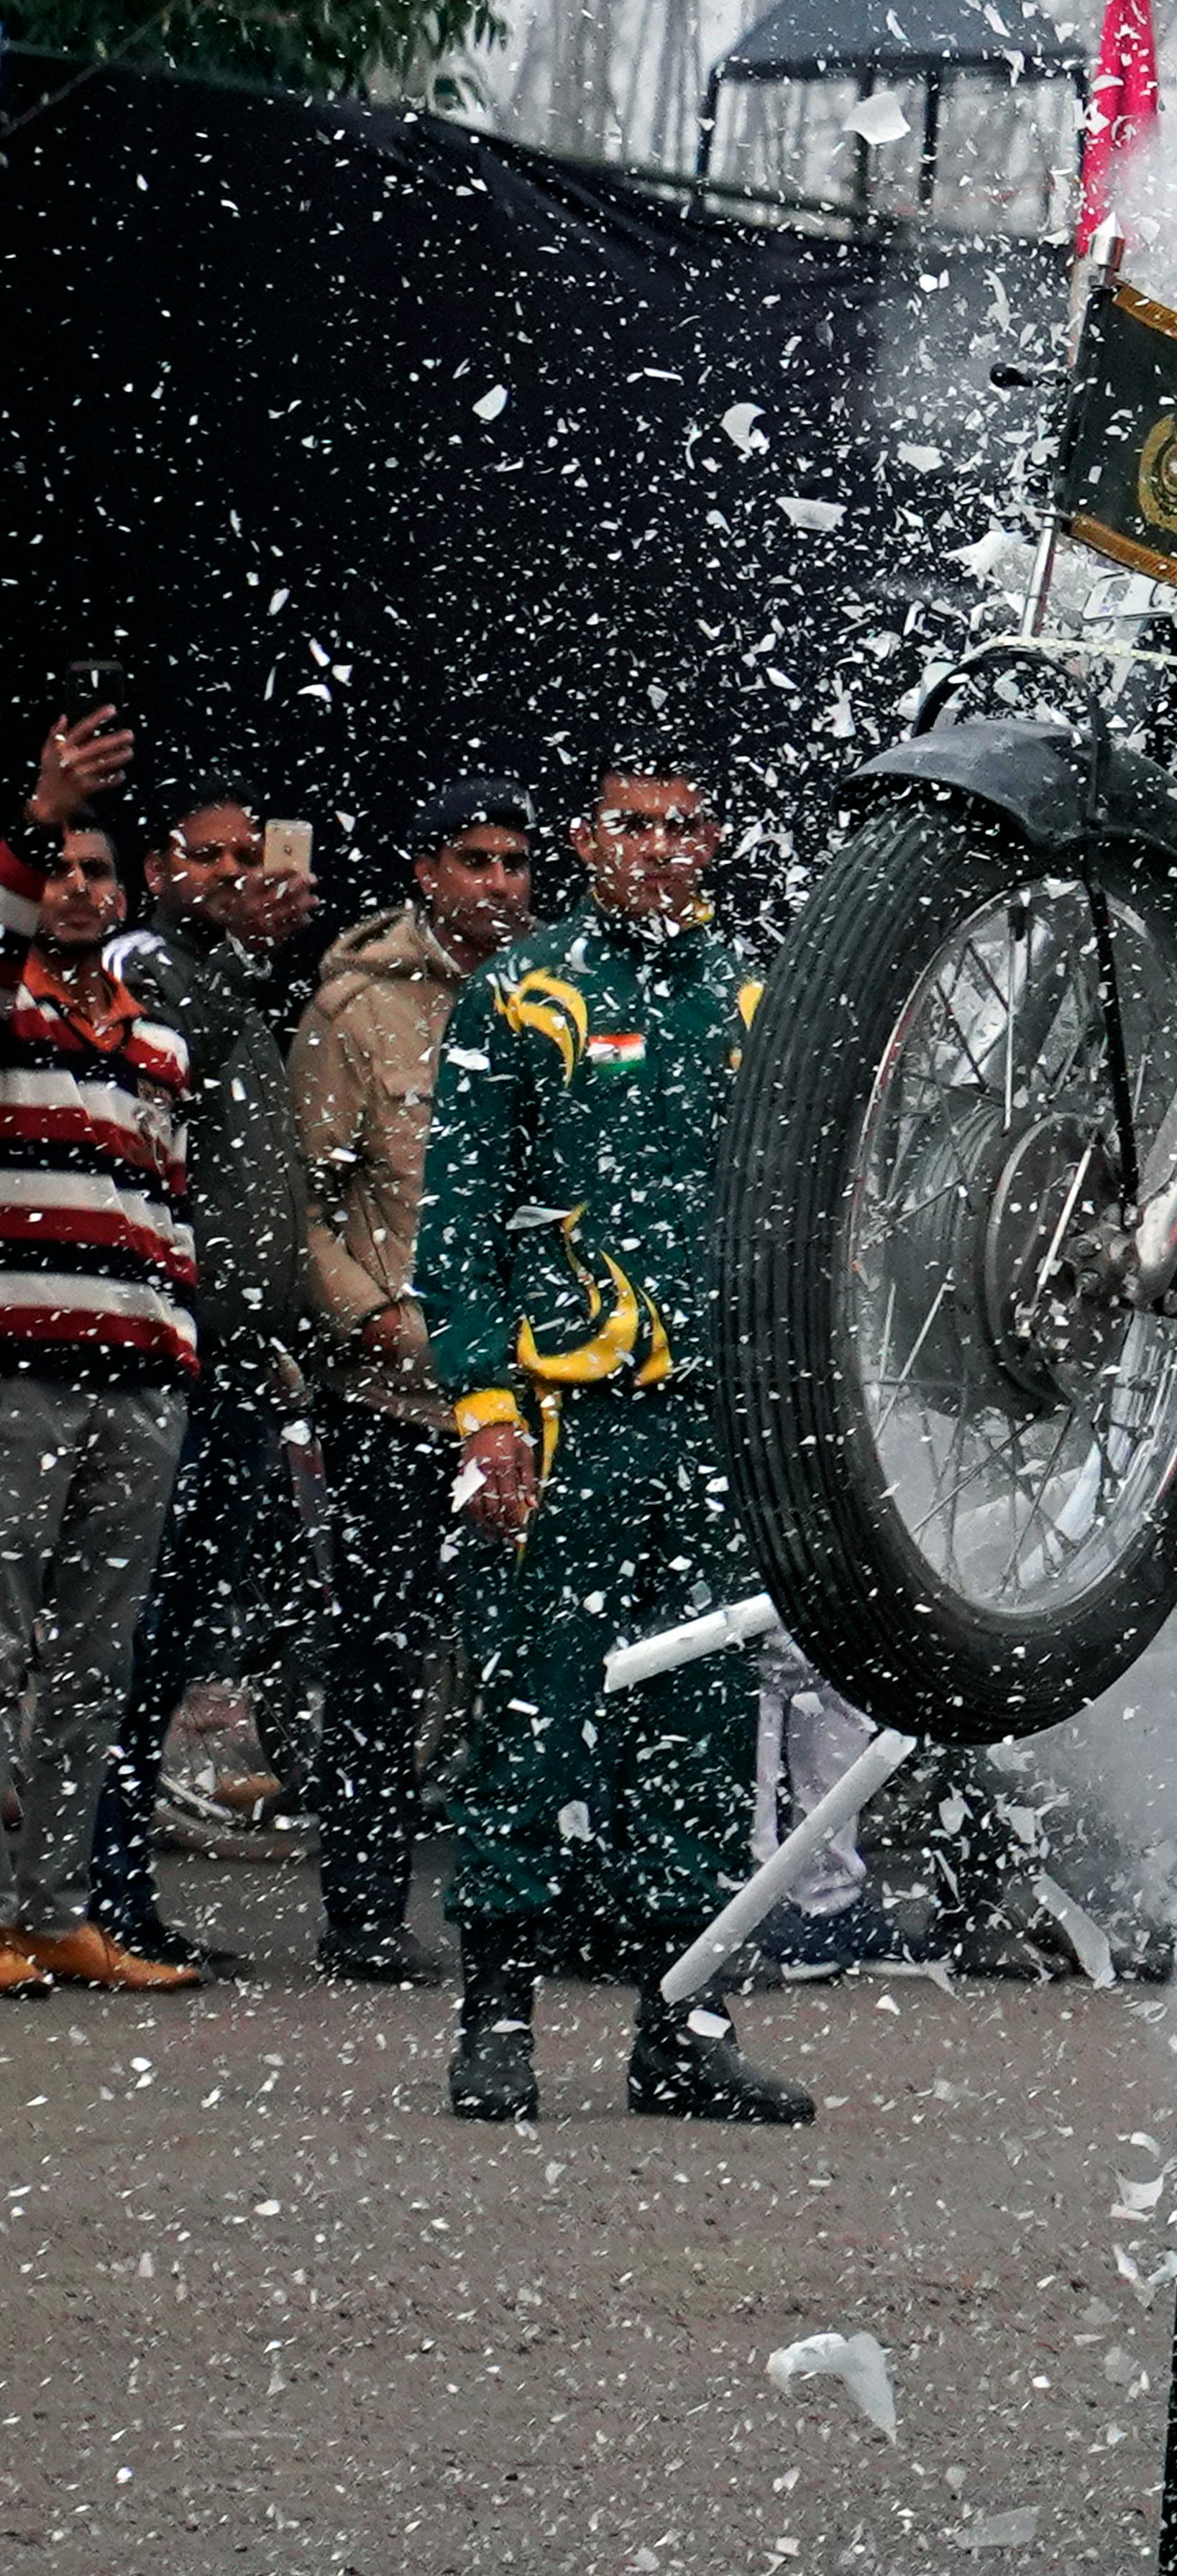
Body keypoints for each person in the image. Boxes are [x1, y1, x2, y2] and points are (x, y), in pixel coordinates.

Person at [421, 750, 808, 2120]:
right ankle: (497, 2017)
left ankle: (683, 2029)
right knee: (535, 1713)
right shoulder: (519, 996)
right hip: (563, 1419)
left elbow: (804, 1226)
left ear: (715, 843)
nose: (656, 849)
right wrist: (482, 1408)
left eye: (681, 827)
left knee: (705, 1733)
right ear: (585, 843)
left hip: (715, 1426)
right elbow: (454, 1222)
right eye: (629, 828)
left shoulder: (764, 1001)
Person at [287, 777, 536, 1979]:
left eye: (513, 862)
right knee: (384, 1660)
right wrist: (373, 1316)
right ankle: (366, 1913)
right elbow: (305, 1203)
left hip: (525, 1394)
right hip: (396, 1393)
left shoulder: (561, 992)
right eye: (472, 860)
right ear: (426, 873)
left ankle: (521, 1911)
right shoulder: (358, 1002)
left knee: (523, 1661)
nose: (497, 883)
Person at [109, 782, 330, 1977]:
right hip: (164, 1348)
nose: (240, 875)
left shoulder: (231, 984)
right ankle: (97, 1886)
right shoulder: (148, 967)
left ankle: (116, 1885)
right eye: (212, 859)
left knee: (183, 1623)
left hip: (230, 1357)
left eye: (254, 856)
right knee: (131, 1632)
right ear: (158, 869)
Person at [0, 702, 203, 1991]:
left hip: (140, 1377)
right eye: (57, 869)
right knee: (0, 1645)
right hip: (20, 1365)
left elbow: (169, 1215)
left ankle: (51, 1910)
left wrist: (178, 1339)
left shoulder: (163, 1042)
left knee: (93, 1660)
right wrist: (43, 799)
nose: (76, 889)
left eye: (96, 873)